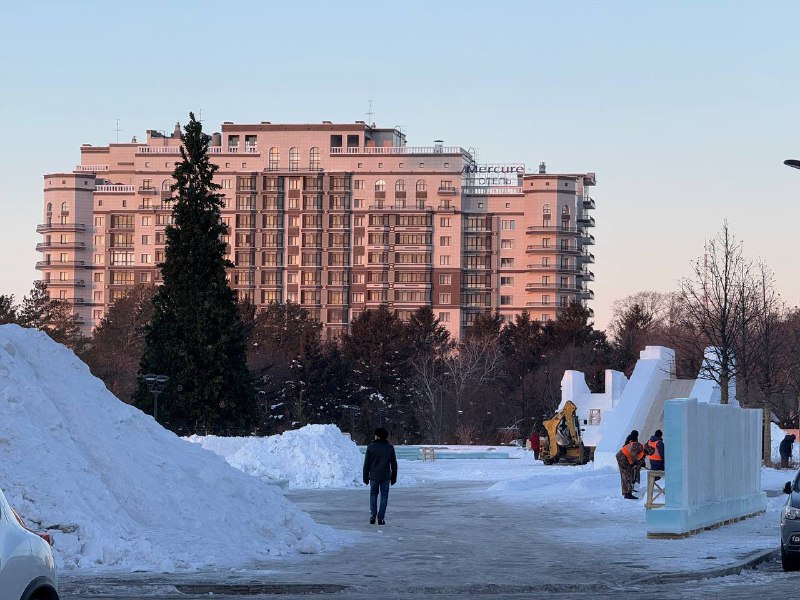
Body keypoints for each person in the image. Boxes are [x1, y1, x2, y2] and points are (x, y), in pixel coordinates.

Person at [362, 427, 398, 525]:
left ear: (377, 436)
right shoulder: (389, 447)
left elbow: (366, 464)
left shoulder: (371, 447)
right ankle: (381, 518)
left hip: (374, 476)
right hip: (385, 476)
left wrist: (365, 477)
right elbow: (394, 464)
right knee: (384, 496)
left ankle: (373, 515)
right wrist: (394, 477)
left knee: (373, 495)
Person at [616, 431, 645, 500]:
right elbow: (633, 454)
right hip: (623, 458)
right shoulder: (637, 445)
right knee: (627, 474)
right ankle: (628, 493)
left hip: (622, 456)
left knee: (625, 475)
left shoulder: (629, 441)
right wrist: (635, 462)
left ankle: (627, 492)